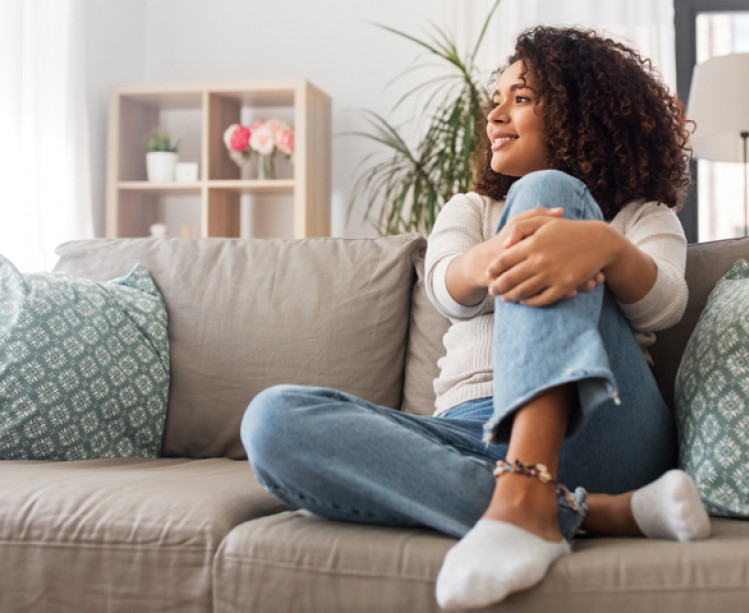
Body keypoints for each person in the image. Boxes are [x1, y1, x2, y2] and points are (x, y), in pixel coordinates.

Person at [241, 26, 711, 610]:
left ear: (581, 112)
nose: (495, 115)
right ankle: (581, 511)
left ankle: (528, 495)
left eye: (521, 98)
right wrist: (494, 255)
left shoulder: (645, 216)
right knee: (272, 421)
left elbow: (664, 304)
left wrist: (603, 247)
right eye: (497, 99)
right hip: (472, 434)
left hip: (602, 426)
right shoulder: (470, 209)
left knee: (548, 191)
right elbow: (445, 288)